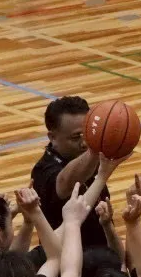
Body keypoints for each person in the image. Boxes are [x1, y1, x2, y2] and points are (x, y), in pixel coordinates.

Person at [30, 96, 111, 252]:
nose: (84, 143)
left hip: (102, 257)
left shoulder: (89, 159)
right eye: (76, 137)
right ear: (52, 137)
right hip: (66, 261)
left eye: (88, 134)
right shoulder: (43, 171)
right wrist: (95, 149)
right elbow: (65, 182)